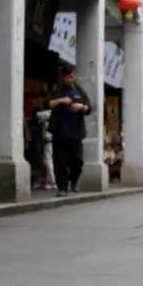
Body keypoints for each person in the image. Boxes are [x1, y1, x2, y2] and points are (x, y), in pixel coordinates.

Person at [46, 63, 92, 196]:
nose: (69, 80)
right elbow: (48, 103)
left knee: (77, 160)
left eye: (71, 77)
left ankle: (74, 180)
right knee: (59, 160)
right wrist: (60, 100)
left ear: (74, 76)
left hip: (76, 132)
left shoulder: (80, 91)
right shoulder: (56, 90)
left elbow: (89, 108)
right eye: (66, 77)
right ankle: (62, 187)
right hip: (59, 132)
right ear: (62, 77)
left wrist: (81, 107)